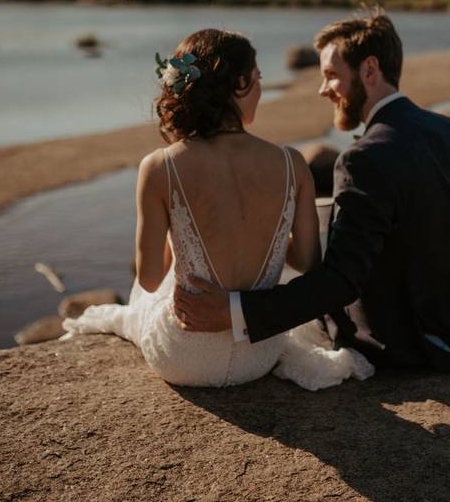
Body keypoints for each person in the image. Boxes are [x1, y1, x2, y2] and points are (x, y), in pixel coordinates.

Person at [177, 10, 450, 371]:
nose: (322, 89)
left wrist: (233, 312)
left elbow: (342, 281)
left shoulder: (365, 158)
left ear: (370, 70)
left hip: (411, 347)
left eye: (331, 75)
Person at [62, 28, 373, 390]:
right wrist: (264, 236)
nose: (259, 89)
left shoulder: (160, 166)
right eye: (257, 79)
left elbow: (148, 279)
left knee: (145, 304)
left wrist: (180, 229)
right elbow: (306, 261)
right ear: (239, 83)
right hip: (260, 351)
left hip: (183, 355)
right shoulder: (292, 163)